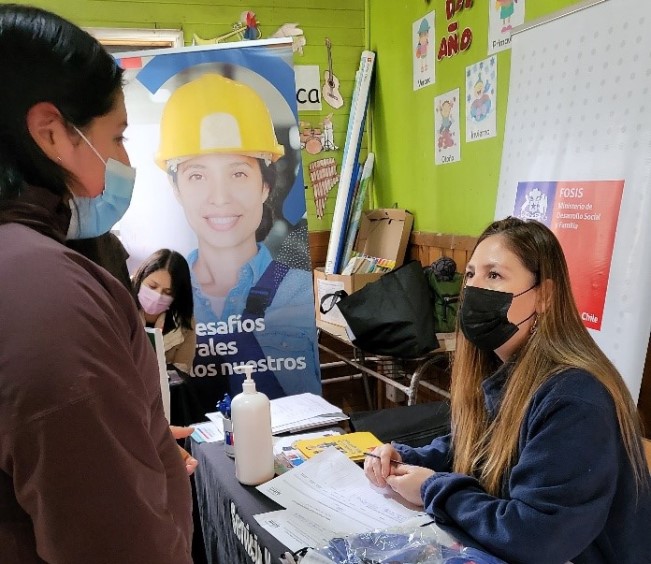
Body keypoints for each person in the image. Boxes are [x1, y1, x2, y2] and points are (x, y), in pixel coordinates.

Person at [0, 6, 192, 562]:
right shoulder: (43, 291)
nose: (124, 159)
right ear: (51, 132)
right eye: (118, 135)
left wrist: (134, 443)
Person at [365, 217, 651, 564]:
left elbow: (536, 537)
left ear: (544, 296)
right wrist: (410, 460)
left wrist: (431, 489)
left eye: (494, 275)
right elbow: (482, 449)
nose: (473, 289)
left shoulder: (575, 398)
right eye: (470, 274)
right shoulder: (508, 370)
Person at [155, 72, 320, 408]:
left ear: (265, 186)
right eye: (198, 175)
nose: (219, 197)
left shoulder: (301, 291)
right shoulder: (157, 296)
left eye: (238, 173)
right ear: (176, 189)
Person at [132, 248, 197, 374]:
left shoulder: (184, 323)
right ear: (140, 278)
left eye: (168, 292)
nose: (157, 295)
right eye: (152, 286)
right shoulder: (120, 306)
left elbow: (181, 374)